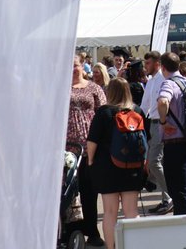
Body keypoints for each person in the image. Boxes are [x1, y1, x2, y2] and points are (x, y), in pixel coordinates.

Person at [86, 78, 147, 249]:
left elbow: (92, 142)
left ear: (109, 92)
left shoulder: (104, 113)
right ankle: (134, 246)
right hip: (133, 168)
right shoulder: (138, 111)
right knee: (132, 211)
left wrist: (91, 161)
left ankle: (111, 247)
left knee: (110, 212)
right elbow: (146, 140)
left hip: (107, 167)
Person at [67, 56, 105, 245]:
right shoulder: (61, 88)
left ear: (82, 67)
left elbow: (104, 112)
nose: (73, 69)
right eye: (70, 66)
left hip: (91, 148)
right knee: (71, 191)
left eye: (75, 65)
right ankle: (72, 231)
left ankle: (92, 230)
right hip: (68, 150)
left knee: (90, 191)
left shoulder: (94, 88)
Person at [157, 52, 186, 215]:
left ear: (162, 67)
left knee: (179, 189)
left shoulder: (169, 84)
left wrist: (163, 121)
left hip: (175, 143)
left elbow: (163, 102)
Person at [138, 53, 171, 215]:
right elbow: (144, 107)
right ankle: (167, 198)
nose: (146, 66)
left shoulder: (164, 80)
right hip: (153, 124)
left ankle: (169, 196)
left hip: (162, 124)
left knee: (154, 162)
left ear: (157, 63)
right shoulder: (151, 81)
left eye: (148, 63)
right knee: (157, 163)